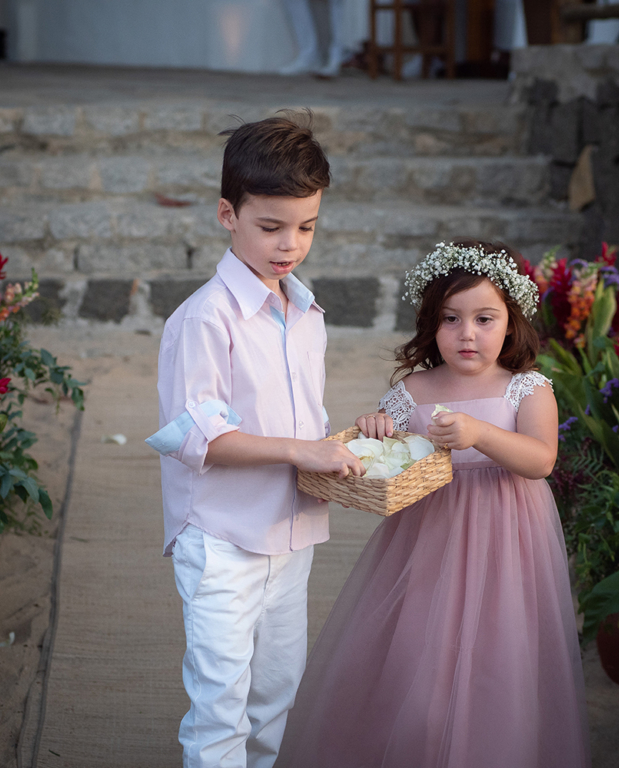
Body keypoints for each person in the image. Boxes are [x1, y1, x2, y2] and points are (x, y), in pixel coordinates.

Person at [276, 240, 591, 768]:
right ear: (431, 324)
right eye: (451, 319)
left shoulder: (527, 389)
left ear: (511, 323)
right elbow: (385, 446)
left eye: (484, 319)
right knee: (419, 670)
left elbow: (540, 460)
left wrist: (478, 432)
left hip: (507, 547)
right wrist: (376, 427)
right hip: (428, 544)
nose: (467, 334)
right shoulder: (415, 390)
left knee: (498, 667)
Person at [145, 114, 366, 768]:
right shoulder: (204, 320)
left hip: (291, 533)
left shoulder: (305, 311)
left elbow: (305, 420)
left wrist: (338, 446)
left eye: (307, 226)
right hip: (221, 540)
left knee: (276, 693)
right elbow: (200, 439)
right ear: (226, 214)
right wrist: (304, 452)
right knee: (221, 702)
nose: (289, 244)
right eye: (270, 226)